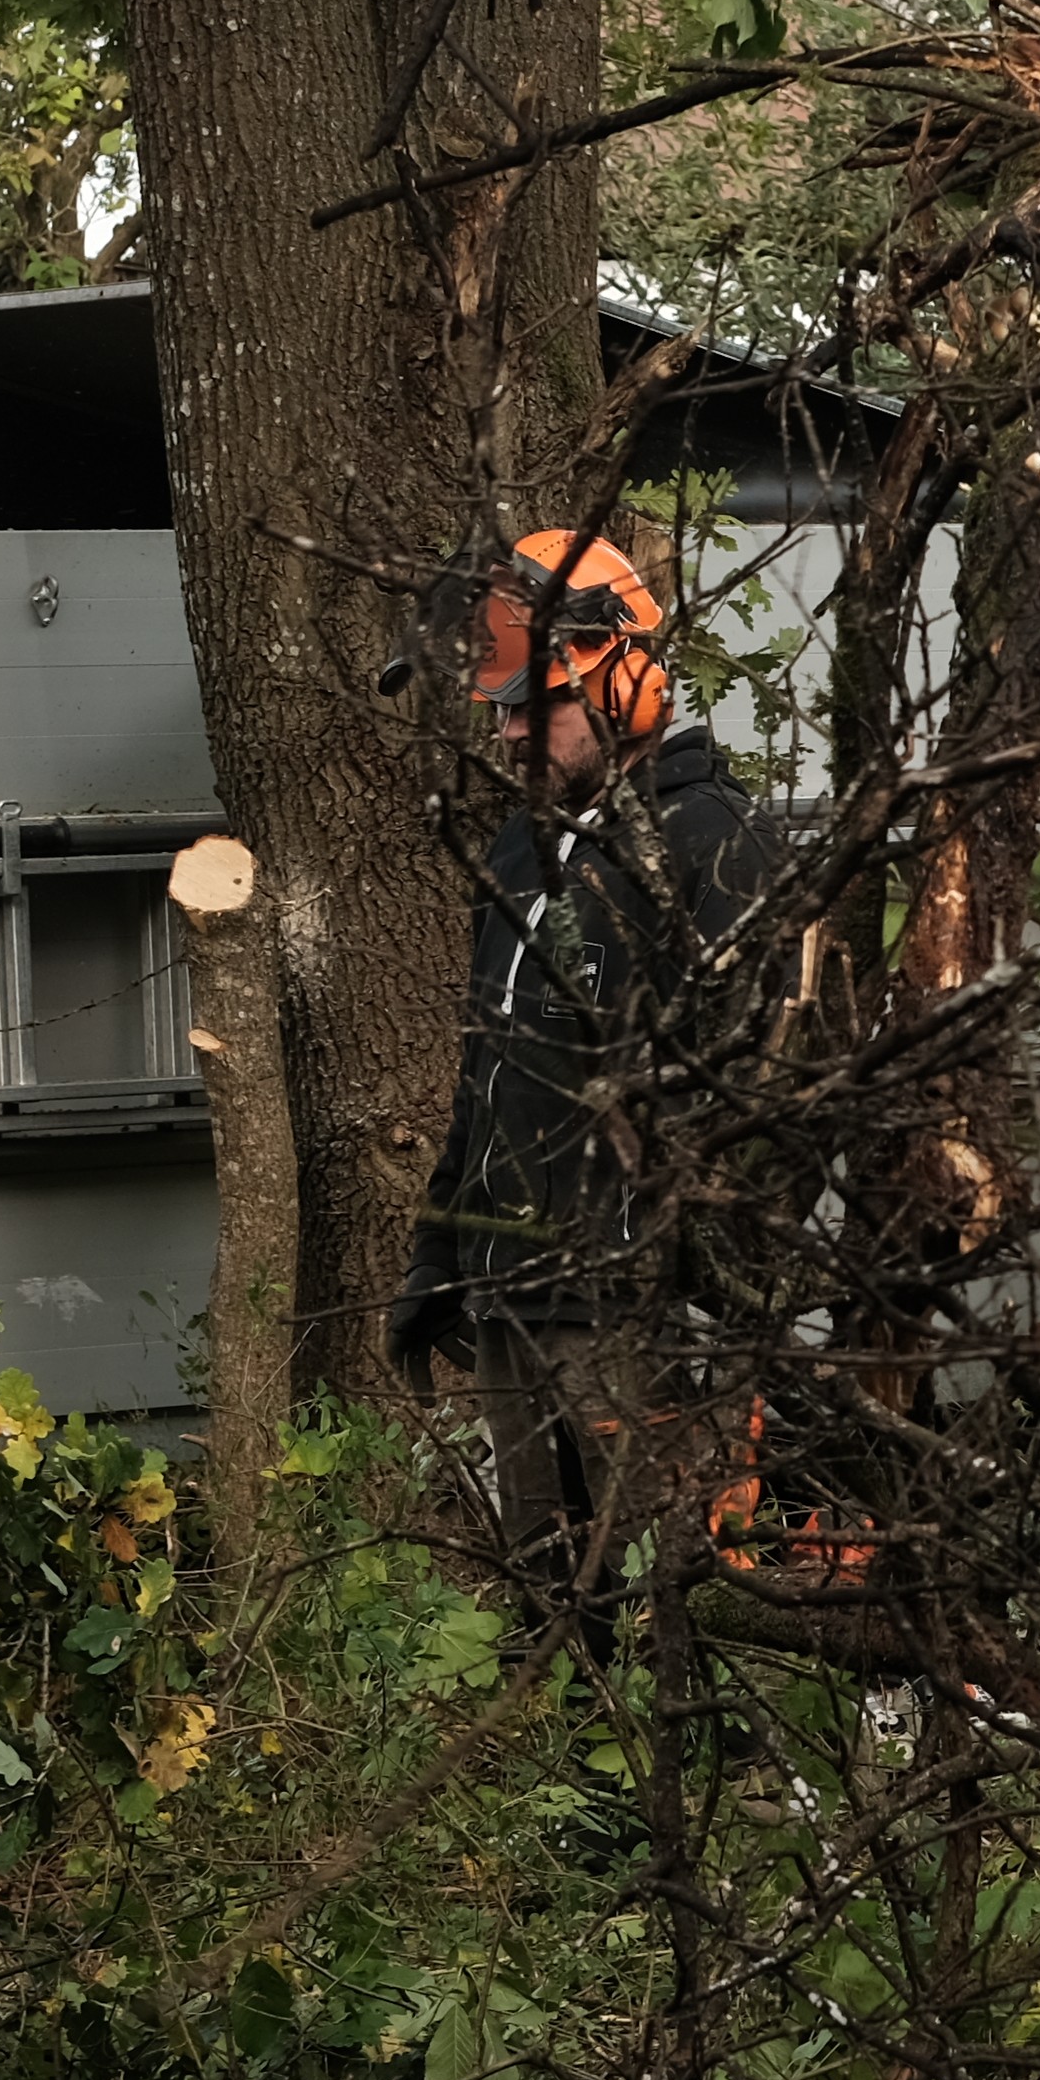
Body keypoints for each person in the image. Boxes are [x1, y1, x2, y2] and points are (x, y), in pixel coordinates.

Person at [383, 529, 784, 1587]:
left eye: (535, 706)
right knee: (554, 1605)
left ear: (625, 674)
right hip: (514, 1291)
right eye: (501, 711)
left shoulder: (712, 844)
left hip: (636, 1309)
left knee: (675, 1598)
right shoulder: (523, 845)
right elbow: (490, 1068)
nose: (511, 731)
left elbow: (759, 1097)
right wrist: (441, 1250)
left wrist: (711, 1292)